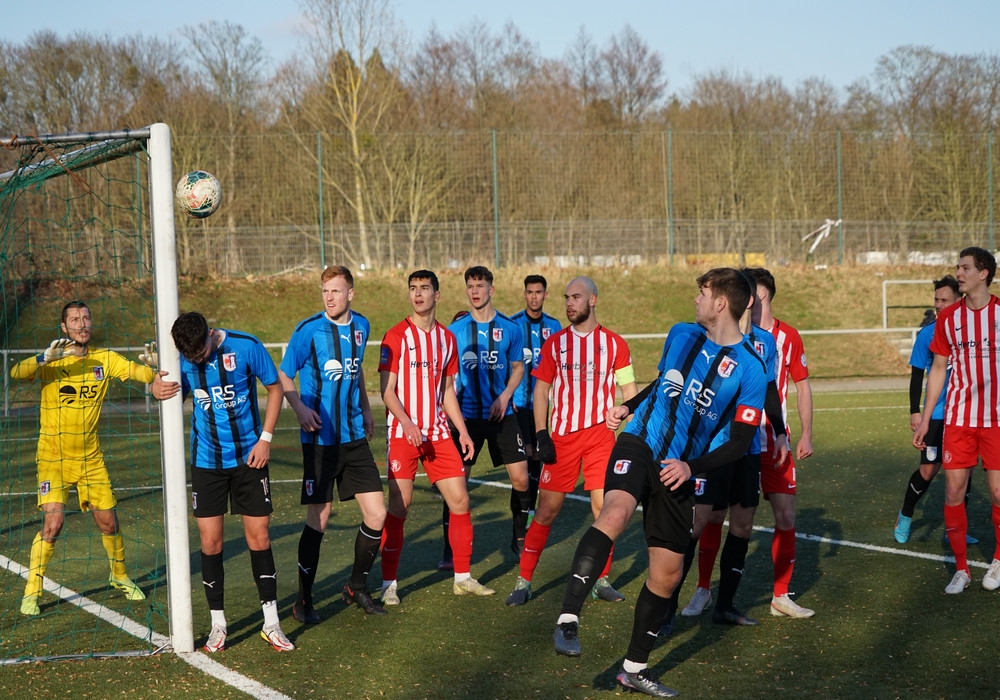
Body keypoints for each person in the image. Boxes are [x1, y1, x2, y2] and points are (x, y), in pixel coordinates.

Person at [551, 268, 768, 698]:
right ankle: (568, 619)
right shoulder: (681, 334)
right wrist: (629, 406)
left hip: (680, 467)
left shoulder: (751, 369)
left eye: (703, 294)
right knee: (614, 512)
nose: (696, 300)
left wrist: (691, 467)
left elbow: (741, 443)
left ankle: (634, 669)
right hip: (641, 442)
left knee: (667, 575)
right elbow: (664, 381)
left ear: (720, 303)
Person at [13, 301, 179, 616]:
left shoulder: (105, 359)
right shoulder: (53, 361)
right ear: (64, 327)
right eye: (75, 319)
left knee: (108, 522)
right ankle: (32, 592)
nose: (82, 324)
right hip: (53, 458)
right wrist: (42, 358)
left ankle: (119, 575)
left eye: (86, 318)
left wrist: (156, 375)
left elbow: (136, 371)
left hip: (91, 459)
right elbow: (16, 372)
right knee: (54, 522)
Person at [505, 276, 636, 607]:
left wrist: (627, 424)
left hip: (601, 439)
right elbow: (541, 390)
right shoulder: (555, 343)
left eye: (576, 297)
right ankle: (524, 580)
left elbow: (630, 393)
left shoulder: (615, 344)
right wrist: (541, 434)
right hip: (562, 439)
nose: (569, 303)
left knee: (604, 510)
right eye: (566, 297)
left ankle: (601, 579)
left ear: (592, 300)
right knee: (546, 511)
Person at [670, 270, 790, 628]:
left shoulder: (765, 343)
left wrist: (780, 432)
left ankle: (725, 605)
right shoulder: (708, 337)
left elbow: (770, 389)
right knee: (696, 524)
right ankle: (666, 607)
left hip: (747, 450)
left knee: (742, 524)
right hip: (712, 449)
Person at [170, 311, 294, 653]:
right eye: (191, 357)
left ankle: (271, 623)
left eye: (201, 353)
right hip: (206, 462)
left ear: (210, 334)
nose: (197, 360)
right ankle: (218, 625)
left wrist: (265, 439)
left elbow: (275, 387)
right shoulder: (184, 360)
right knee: (210, 542)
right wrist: (155, 386)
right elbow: (169, 393)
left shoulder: (246, 346)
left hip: (249, 458)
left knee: (259, 537)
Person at [378, 269, 495, 604]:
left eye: (424, 288)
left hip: (439, 434)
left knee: (460, 501)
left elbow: (446, 391)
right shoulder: (396, 336)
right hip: (403, 433)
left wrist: (463, 431)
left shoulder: (447, 339)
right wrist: (407, 422)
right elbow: (387, 390)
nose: (417, 294)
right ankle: (388, 583)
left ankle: (462, 577)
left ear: (437, 295)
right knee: (400, 507)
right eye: (413, 288)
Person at [279, 266, 387, 621]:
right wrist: (299, 408)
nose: (329, 297)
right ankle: (303, 600)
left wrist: (366, 410)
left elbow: (356, 372)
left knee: (377, 514)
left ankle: (356, 586)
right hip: (320, 441)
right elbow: (284, 374)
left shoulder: (362, 326)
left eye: (336, 291)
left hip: (354, 437)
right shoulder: (308, 330)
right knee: (320, 518)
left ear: (350, 294)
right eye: (325, 291)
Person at [914, 247, 1000, 595]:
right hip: (959, 419)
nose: (959, 273)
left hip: (996, 419)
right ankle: (961, 569)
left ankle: (998, 559)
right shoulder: (949, 318)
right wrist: (924, 418)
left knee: (998, 492)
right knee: (953, 492)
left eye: (965, 268)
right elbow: (937, 369)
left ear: (984, 273)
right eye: (958, 267)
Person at [438, 266, 530, 568]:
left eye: (480, 285)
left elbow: (519, 368)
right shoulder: (455, 331)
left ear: (491, 289)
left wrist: (505, 397)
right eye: (470, 286)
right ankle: (450, 550)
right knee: (456, 485)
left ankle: (519, 538)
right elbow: (445, 378)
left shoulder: (510, 328)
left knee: (522, 479)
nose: (475, 291)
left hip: (502, 415)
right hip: (466, 419)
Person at [894, 276, 977, 545]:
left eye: (945, 300)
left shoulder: (972, 330)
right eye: (936, 300)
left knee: (965, 472)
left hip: (965, 413)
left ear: (959, 300)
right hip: (938, 414)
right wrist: (915, 411)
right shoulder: (927, 334)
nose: (939, 305)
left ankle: (958, 530)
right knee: (929, 470)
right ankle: (906, 515)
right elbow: (917, 375)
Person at [509, 274, 563, 515]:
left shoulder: (554, 326)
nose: (534, 297)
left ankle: (529, 507)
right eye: (530, 292)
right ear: (525, 295)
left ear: (545, 295)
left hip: (542, 404)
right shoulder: (513, 324)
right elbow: (506, 365)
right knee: (524, 455)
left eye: (538, 292)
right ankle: (523, 508)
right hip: (519, 403)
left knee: (538, 453)